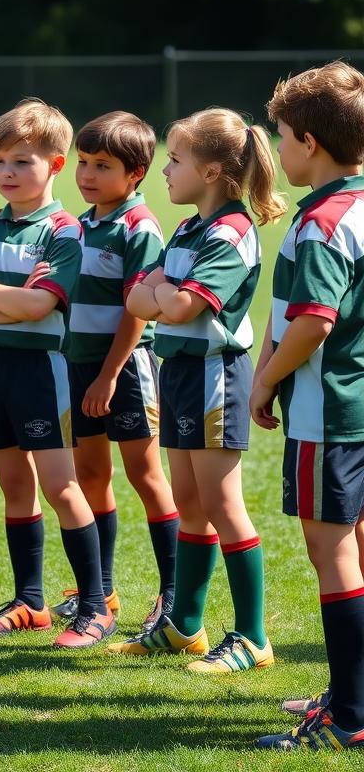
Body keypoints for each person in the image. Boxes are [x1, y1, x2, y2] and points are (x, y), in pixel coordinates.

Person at [110, 107, 285, 673]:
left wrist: (162, 294)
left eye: (176, 159)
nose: (165, 170)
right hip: (181, 371)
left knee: (221, 504)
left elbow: (176, 302)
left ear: (212, 171)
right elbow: (139, 298)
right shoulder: (188, 228)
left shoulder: (232, 231)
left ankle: (253, 637)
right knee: (189, 501)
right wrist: (162, 294)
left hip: (217, 376)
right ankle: (185, 626)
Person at [0, 98, 116, 649]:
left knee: (61, 487)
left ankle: (95, 607)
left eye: (22, 162)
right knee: (15, 485)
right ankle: (31, 601)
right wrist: (11, 297)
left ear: (55, 165)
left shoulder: (63, 232)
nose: (7, 174)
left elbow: (41, 309)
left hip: (42, 370)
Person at [252, 62, 364, 750]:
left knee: (335, 558)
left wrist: (264, 381)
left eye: (283, 138)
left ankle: (349, 719)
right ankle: (353, 694)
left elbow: (314, 320)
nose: (280, 151)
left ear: (311, 142)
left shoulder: (322, 224)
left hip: (331, 413)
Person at [53, 112, 178, 633]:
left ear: (136, 174)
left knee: (146, 476)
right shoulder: (78, 224)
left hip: (125, 369)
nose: (87, 174)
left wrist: (109, 375)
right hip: (76, 365)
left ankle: (172, 593)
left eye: (103, 165)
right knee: (91, 477)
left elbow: (136, 309)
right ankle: (99, 592)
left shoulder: (138, 227)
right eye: (83, 162)